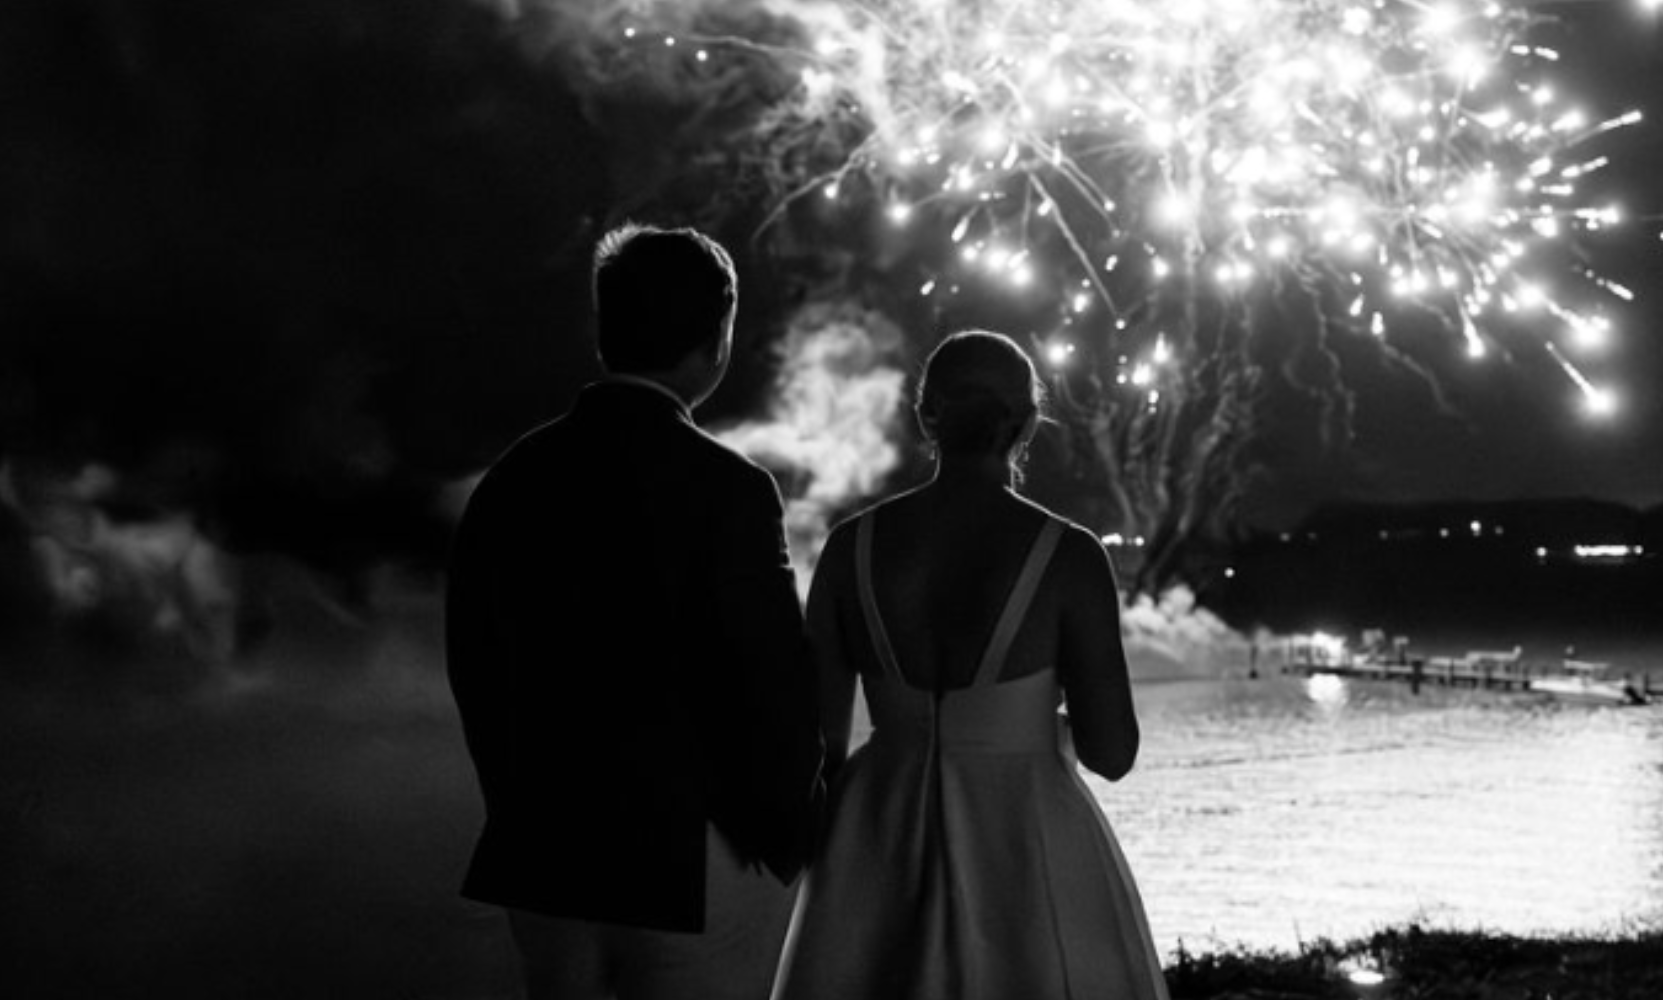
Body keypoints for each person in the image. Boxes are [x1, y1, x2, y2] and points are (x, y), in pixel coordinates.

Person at [446, 223, 823, 1000]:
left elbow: (474, 660)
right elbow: (771, 680)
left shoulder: (515, 477)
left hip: (542, 845)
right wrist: (788, 832)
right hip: (688, 852)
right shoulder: (730, 489)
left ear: (606, 328)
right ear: (716, 340)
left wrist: (514, 802)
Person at [772, 330, 1169, 1000]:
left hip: (879, 838)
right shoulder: (1069, 556)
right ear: (1028, 423)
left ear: (926, 416)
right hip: (1024, 837)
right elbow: (1113, 753)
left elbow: (818, 748)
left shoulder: (849, 550)